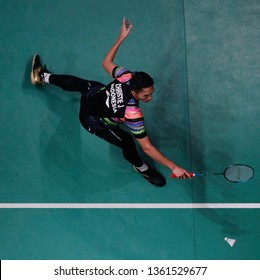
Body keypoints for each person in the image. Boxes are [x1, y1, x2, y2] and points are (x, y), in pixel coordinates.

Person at [31, 17, 191, 187]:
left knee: (86, 85)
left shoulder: (126, 77)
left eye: (151, 93)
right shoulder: (132, 114)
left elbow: (106, 63)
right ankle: (142, 168)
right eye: (145, 96)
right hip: (92, 119)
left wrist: (120, 37)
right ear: (135, 91)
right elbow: (147, 148)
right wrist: (174, 167)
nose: (150, 98)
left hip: (93, 96)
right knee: (127, 142)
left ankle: (41, 76)